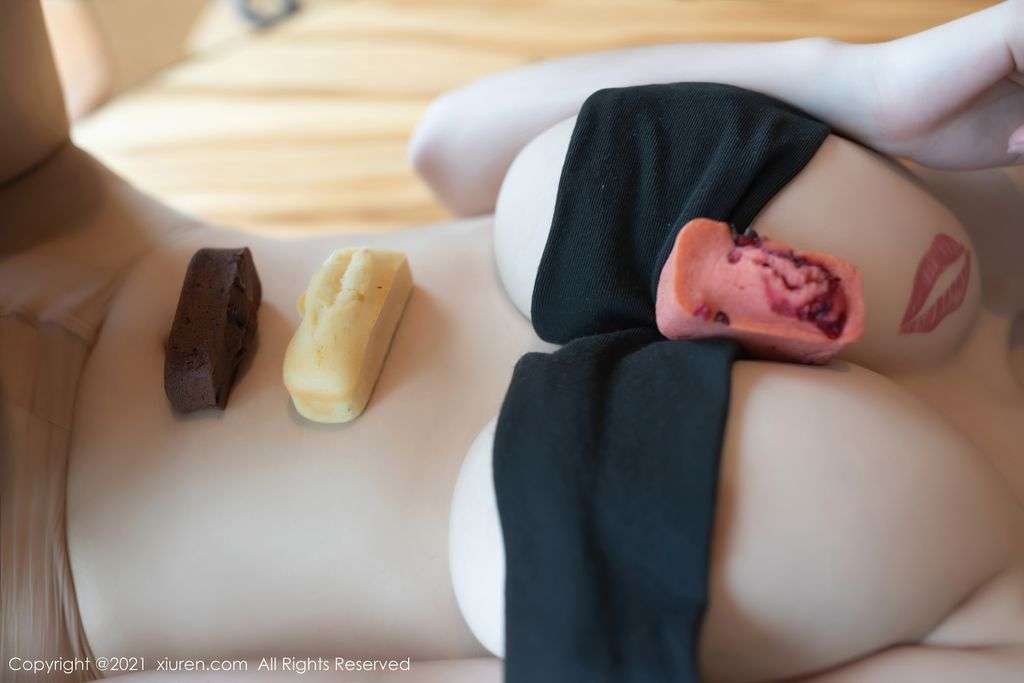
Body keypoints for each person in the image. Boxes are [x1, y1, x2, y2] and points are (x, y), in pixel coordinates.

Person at [2, 2, 1021, 682]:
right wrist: (854, 84)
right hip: (63, 231)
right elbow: (453, 147)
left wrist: (851, 85)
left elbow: (450, 149)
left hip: (47, 569)